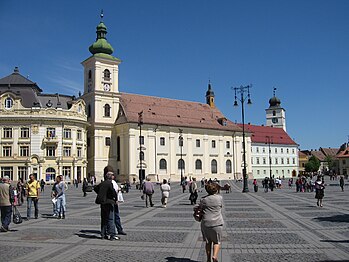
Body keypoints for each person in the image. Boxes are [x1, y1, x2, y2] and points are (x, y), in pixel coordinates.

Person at [199, 182, 223, 262]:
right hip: (217, 223)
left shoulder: (203, 199)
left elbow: (200, 208)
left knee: (208, 242)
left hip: (206, 223)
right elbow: (221, 206)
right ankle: (214, 256)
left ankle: (208, 259)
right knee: (217, 242)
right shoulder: (219, 198)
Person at [94, 172, 119, 241]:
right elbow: (113, 192)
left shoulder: (102, 183)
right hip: (109, 202)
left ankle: (103, 234)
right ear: (111, 178)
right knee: (110, 219)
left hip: (103, 203)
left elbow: (95, 188)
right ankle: (112, 235)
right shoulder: (109, 183)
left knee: (104, 219)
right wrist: (115, 199)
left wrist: (101, 194)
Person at [104, 165, 127, 236]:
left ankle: (119, 229)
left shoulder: (113, 182)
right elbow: (112, 192)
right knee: (111, 217)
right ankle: (111, 231)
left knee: (116, 216)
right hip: (112, 201)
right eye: (113, 174)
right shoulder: (109, 183)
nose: (114, 176)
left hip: (114, 201)